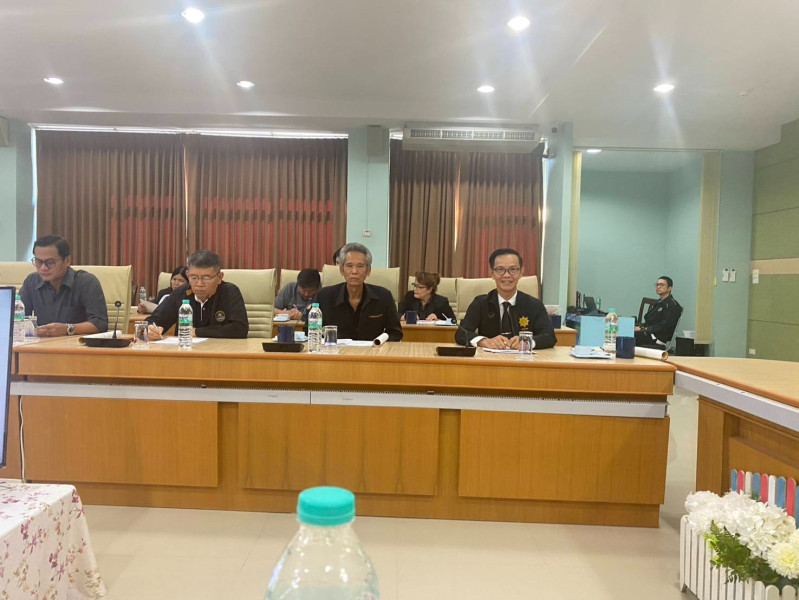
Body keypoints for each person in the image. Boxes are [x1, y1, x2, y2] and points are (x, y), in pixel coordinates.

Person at [455, 248, 556, 350]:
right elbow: (461, 333)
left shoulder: (534, 305)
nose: (507, 275)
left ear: (521, 272)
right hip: (489, 359)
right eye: (500, 270)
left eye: (513, 269)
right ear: (492, 273)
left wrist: (526, 342)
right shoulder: (480, 303)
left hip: (522, 358)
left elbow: (549, 336)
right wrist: (484, 341)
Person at [146, 250, 248, 339]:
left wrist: (197, 332)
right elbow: (153, 321)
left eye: (206, 278)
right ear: (187, 275)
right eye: (194, 278)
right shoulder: (180, 293)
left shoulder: (229, 292)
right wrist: (150, 330)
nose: (199, 284)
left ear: (219, 277)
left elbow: (240, 329)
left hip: (221, 352)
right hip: (186, 351)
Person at [20, 234, 108, 336]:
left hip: (76, 344)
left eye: (50, 262)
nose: (43, 268)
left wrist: (68, 329)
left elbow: (100, 323)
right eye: (38, 262)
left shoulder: (86, 282)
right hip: (42, 343)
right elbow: (17, 317)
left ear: (67, 261)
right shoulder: (32, 281)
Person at [316, 243, 402, 341]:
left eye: (360, 266)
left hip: (373, 350)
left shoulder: (384, 296)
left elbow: (395, 333)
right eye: (349, 266)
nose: (354, 271)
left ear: (368, 271)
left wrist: (380, 343)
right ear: (341, 270)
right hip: (335, 350)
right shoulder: (323, 296)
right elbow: (310, 331)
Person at [635, 276, 682, 347]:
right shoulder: (659, 302)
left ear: (669, 288)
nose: (658, 287)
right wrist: (638, 327)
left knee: (626, 336)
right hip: (648, 333)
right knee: (623, 330)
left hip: (657, 338)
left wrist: (642, 329)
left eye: (662, 285)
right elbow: (649, 321)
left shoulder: (672, 305)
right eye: (657, 285)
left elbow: (663, 326)